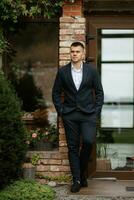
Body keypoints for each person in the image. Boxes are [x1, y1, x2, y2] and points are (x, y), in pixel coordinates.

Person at [52, 42, 104, 193]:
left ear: (83, 54)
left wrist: (96, 111)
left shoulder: (91, 71)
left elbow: (99, 92)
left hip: (88, 114)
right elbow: (55, 93)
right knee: (73, 147)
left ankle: (81, 172)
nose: (74, 54)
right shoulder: (62, 72)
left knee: (88, 142)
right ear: (70, 53)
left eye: (77, 52)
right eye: (72, 51)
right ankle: (77, 179)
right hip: (70, 115)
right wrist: (61, 111)